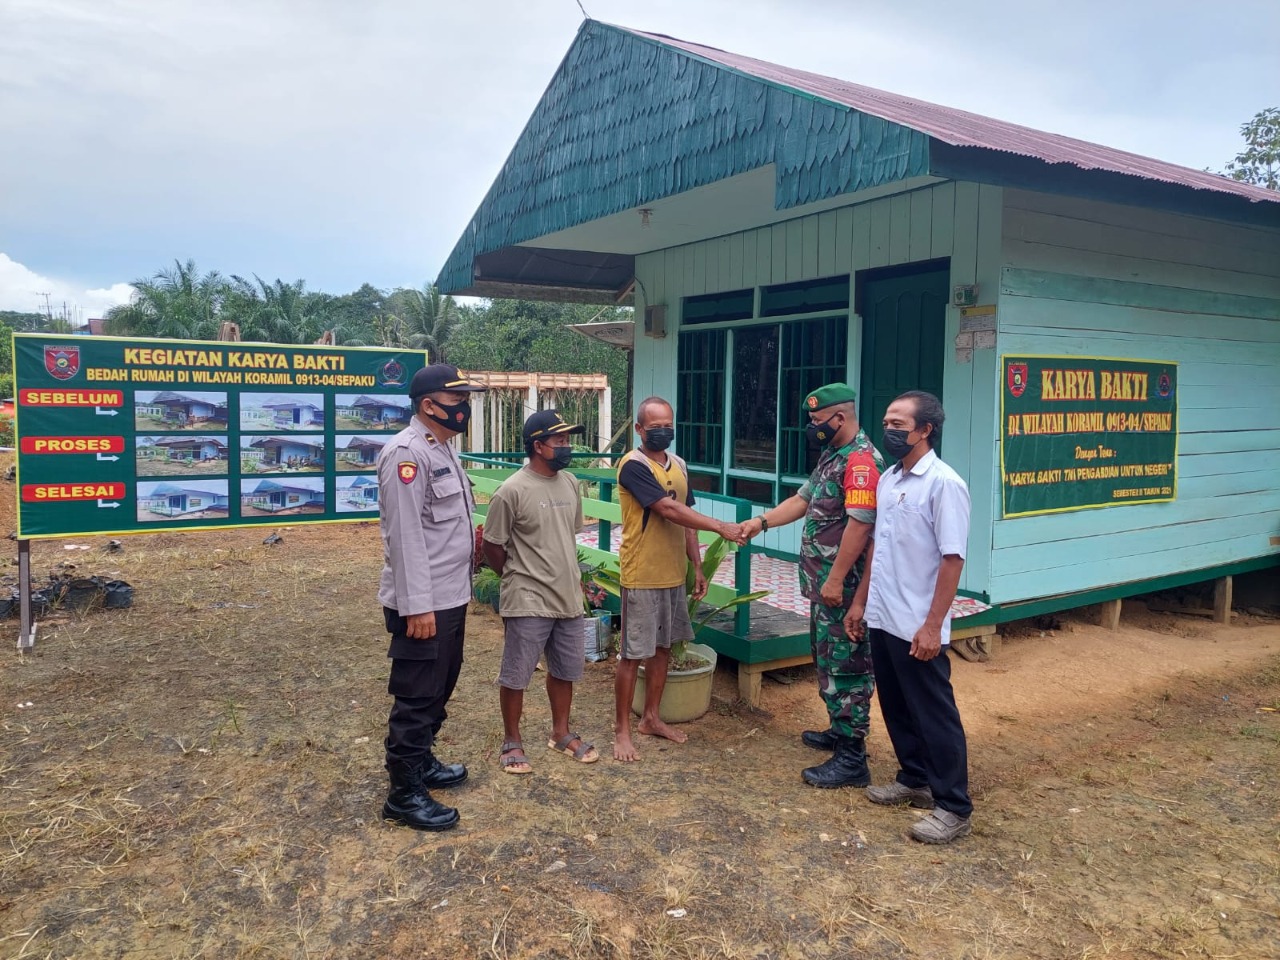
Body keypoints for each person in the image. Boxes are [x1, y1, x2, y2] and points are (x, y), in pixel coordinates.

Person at [844, 390, 974, 844]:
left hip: (919, 622)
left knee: (934, 712)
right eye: (886, 423)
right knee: (896, 704)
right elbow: (877, 546)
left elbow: (952, 559)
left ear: (925, 430)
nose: (889, 431)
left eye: (899, 424)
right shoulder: (889, 480)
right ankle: (914, 778)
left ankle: (953, 806)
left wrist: (933, 624)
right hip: (883, 615)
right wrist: (861, 602)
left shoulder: (944, 484)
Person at [741, 384, 884, 788]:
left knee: (847, 664)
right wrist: (761, 522)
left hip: (843, 586)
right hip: (823, 586)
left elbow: (861, 524)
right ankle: (839, 732)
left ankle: (853, 757)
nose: (811, 428)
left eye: (817, 421)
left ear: (839, 419)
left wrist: (837, 579)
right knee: (827, 657)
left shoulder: (860, 463)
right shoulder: (833, 456)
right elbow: (803, 500)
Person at [376, 362, 486, 831]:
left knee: (442, 686)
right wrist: (416, 605)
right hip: (424, 602)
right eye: (458, 400)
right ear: (429, 405)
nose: (464, 409)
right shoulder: (406, 453)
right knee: (418, 694)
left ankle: (421, 763)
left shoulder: (443, 449)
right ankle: (403, 794)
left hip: (451, 592)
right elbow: (404, 538)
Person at [613, 396, 745, 762]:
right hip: (641, 574)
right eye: (655, 426)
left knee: (663, 649)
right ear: (639, 429)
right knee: (631, 654)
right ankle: (622, 731)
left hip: (673, 574)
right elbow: (666, 508)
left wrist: (697, 567)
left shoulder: (680, 465)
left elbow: (685, 515)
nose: (663, 431)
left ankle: (651, 718)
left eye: (668, 424)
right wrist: (722, 527)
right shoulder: (632, 465)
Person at [482, 409, 600, 775]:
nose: (567, 448)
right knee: (517, 673)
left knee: (565, 670)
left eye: (568, 440)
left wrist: (573, 581)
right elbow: (492, 545)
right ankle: (512, 741)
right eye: (560, 441)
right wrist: (517, 577)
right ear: (538, 445)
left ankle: (561, 733)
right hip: (528, 597)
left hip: (567, 595)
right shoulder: (511, 491)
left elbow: (567, 536)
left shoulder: (570, 483)